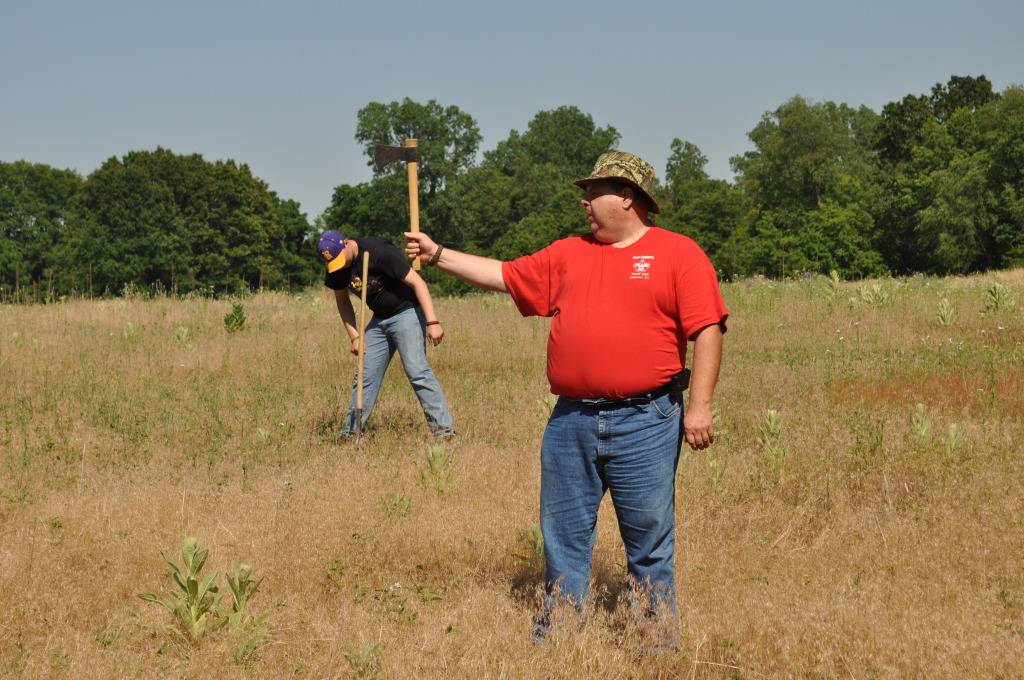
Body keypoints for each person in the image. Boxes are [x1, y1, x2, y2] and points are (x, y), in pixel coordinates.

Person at [405, 151, 727, 637]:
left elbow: (708, 330)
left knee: (648, 538)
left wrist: (699, 406)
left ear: (628, 197)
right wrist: (436, 254)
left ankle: (655, 640)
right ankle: (559, 634)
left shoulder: (678, 254)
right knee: (562, 535)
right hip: (571, 420)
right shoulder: (569, 253)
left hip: (647, 419)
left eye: (594, 193)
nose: (585, 202)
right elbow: (504, 275)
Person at [317, 230, 454, 439]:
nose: (339, 266)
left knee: (417, 371)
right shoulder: (336, 265)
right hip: (379, 319)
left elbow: (419, 283)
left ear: (346, 244)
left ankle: (444, 431)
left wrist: (432, 321)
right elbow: (342, 301)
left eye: (340, 260)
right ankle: (352, 432)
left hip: (407, 312)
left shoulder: (379, 252)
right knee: (364, 375)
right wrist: (354, 336)